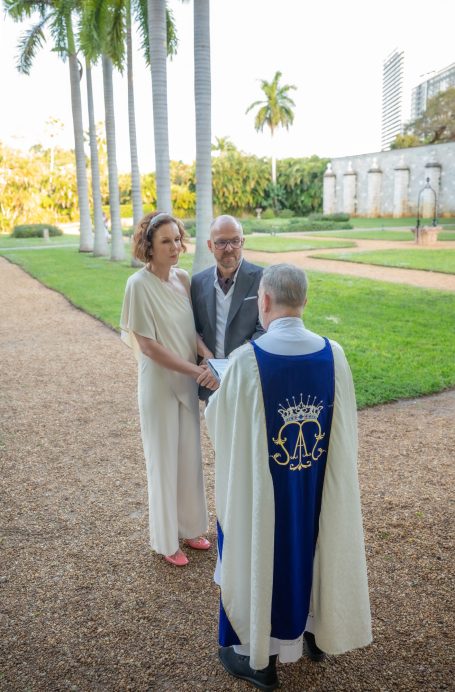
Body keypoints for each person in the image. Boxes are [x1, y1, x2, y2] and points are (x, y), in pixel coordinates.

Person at [205, 264, 372, 690]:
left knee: (257, 542)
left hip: (267, 494)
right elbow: (345, 427)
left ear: (263, 302)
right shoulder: (333, 354)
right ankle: (316, 629)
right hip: (316, 484)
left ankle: (256, 657)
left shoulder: (246, 361)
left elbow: (220, 424)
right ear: (304, 301)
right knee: (318, 540)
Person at [120, 211, 218, 567]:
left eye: (178, 239)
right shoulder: (138, 285)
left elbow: (188, 328)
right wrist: (195, 370)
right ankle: (164, 540)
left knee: (189, 457)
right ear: (149, 246)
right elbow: (147, 345)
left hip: (188, 378)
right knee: (162, 462)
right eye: (166, 241)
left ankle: (191, 528)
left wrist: (206, 355)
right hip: (160, 383)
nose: (176, 246)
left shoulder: (183, 278)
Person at [190, 215, 264, 399]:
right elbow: (193, 329)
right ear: (210, 245)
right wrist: (209, 361)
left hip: (249, 379)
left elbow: (264, 330)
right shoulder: (198, 282)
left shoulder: (263, 278)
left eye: (235, 241)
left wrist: (226, 369)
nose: (229, 248)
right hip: (212, 383)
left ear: (242, 242)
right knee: (215, 428)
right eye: (221, 242)